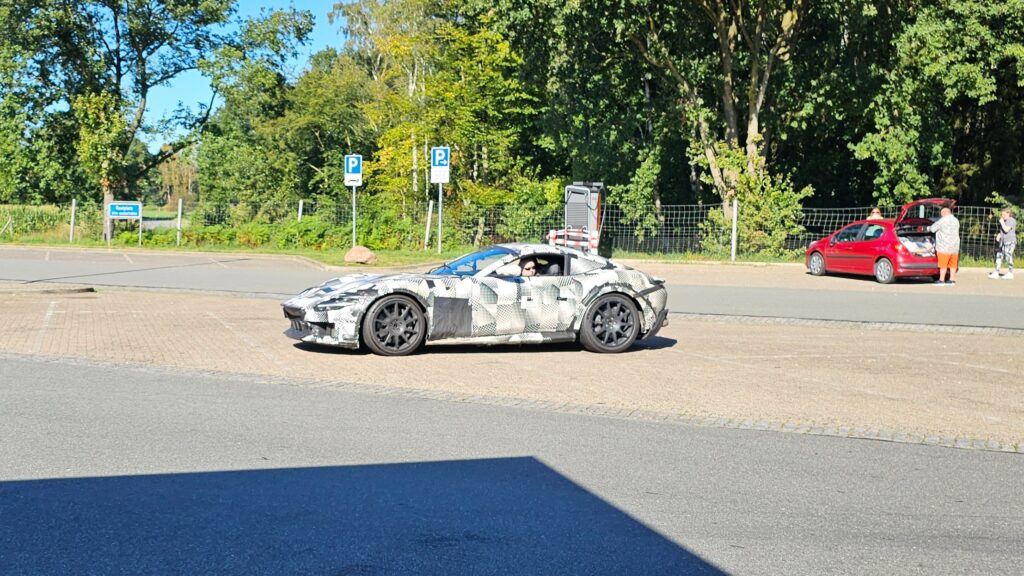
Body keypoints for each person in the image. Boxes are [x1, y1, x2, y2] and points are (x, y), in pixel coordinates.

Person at [928, 203, 960, 286]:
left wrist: (928, 228)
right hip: (955, 246)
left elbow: (932, 229)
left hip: (944, 246)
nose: (941, 215)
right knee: (953, 265)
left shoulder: (942, 220)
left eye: (941, 213)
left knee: (943, 265)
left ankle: (941, 280)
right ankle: (952, 280)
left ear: (944, 212)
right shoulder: (956, 220)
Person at [988, 207, 1016, 280]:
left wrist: (1002, 222)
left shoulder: (1011, 220)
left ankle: (1010, 273)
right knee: (999, 255)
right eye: (1001, 214)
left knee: (1008, 256)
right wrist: (999, 235)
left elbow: (1006, 229)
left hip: (1010, 242)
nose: (1002, 216)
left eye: (1003, 214)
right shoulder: (1004, 221)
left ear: (1008, 214)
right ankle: (996, 272)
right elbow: (1002, 231)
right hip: (1003, 241)